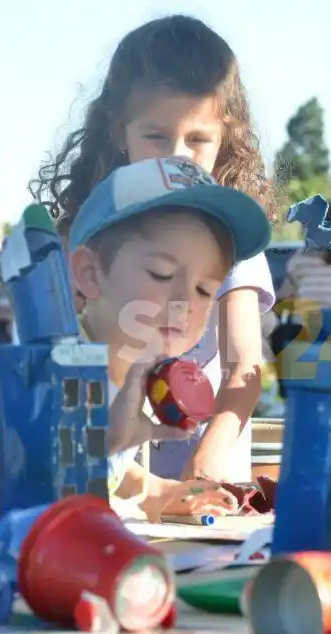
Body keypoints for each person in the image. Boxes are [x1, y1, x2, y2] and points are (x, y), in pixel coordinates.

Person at [33, 15, 274, 483]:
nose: (176, 156)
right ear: (119, 131)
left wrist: (206, 459)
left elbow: (244, 363)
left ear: (226, 138)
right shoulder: (92, 233)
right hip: (104, 466)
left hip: (205, 466)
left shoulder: (228, 240)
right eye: (155, 136)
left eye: (198, 139)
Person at [67, 156, 271, 518]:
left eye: (204, 290)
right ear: (89, 273)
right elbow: (37, 480)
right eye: (161, 274)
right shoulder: (53, 375)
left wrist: (157, 491)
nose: (184, 302)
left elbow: (111, 470)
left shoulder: (125, 374)